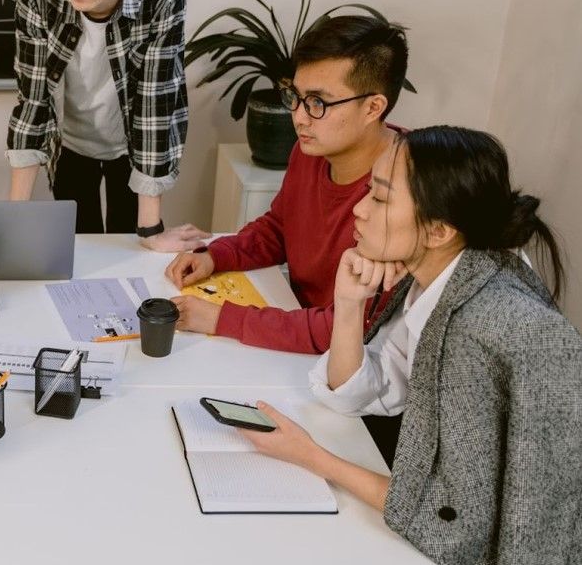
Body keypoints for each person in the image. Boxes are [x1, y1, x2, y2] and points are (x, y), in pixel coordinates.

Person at [240, 126, 582, 564]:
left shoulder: (478, 327)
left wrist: (311, 457)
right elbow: (368, 391)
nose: (359, 211)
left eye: (380, 198)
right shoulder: (440, 278)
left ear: (438, 230)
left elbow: (451, 524)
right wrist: (348, 304)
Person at [167, 15, 409, 353]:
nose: (298, 116)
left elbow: (343, 329)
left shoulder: (407, 191)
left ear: (372, 108)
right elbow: (281, 228)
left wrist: (221, 319)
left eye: (318, 103)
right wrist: (215, 256)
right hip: (293, 320)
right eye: (294, 96)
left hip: (345, 366)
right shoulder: (309, 149)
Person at [5, 0, 207, 251]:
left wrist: (150, 232)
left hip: (131, 142)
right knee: (78, 247)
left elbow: (153, 106)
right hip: (69, 140)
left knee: (127, 243)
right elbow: (32, 99)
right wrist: (13, 220)